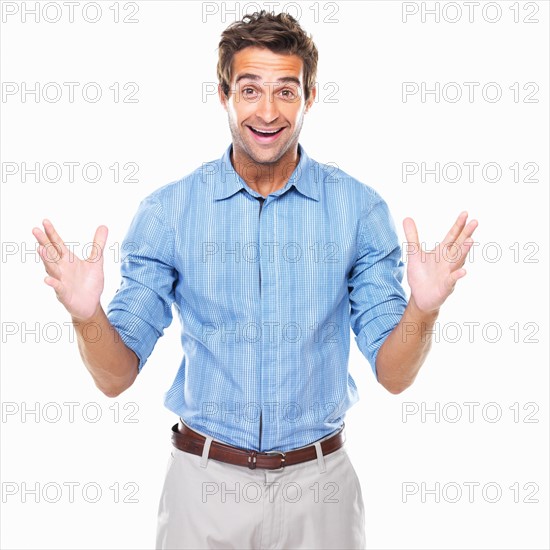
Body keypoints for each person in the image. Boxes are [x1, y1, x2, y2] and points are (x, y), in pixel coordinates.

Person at [32, 10, 478, 550]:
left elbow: (395, 374)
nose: (267, 111)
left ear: (309, 97)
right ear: (224, 94)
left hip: (321, 492)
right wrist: (87, 317)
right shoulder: (170, 211)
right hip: (204, 490)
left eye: (286, 91)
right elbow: (114, 377)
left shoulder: (358, 209)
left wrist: (423, 309)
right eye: (250, 89)